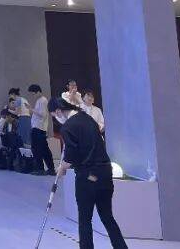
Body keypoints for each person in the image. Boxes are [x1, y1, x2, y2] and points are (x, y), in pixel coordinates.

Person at [50, 97, 128, 249]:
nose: (56, 119)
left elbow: (70, 156)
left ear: (58, 111)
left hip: (88, 176)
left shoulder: (67, 127)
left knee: (85, 219)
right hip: (105, 172)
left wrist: (62, 168)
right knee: (107, 216)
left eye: (54, 116)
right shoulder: (88, 118)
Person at [28, 83, 55, 175]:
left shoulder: (43, 100)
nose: (33, 96)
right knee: (43, 149)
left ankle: (40, 169)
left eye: (33, 93)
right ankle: (49, 168)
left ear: (38, 92)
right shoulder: (40, 100)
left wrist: (31, 109)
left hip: (39, 128)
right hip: (38, 128)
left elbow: (42, 114)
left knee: (38, 149)